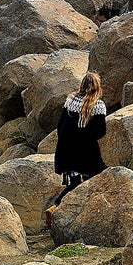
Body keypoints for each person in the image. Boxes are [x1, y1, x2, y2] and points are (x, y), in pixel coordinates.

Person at [45, 71, 108, 227]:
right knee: (97, 178)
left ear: (82, 84)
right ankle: (61, 209)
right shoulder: (98, 105)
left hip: (65, 151)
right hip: (86, 153)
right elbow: (100, 131)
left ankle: (56, 208)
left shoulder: (70, 100)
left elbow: (60, 125)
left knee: (74, 183)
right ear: (98, 87)